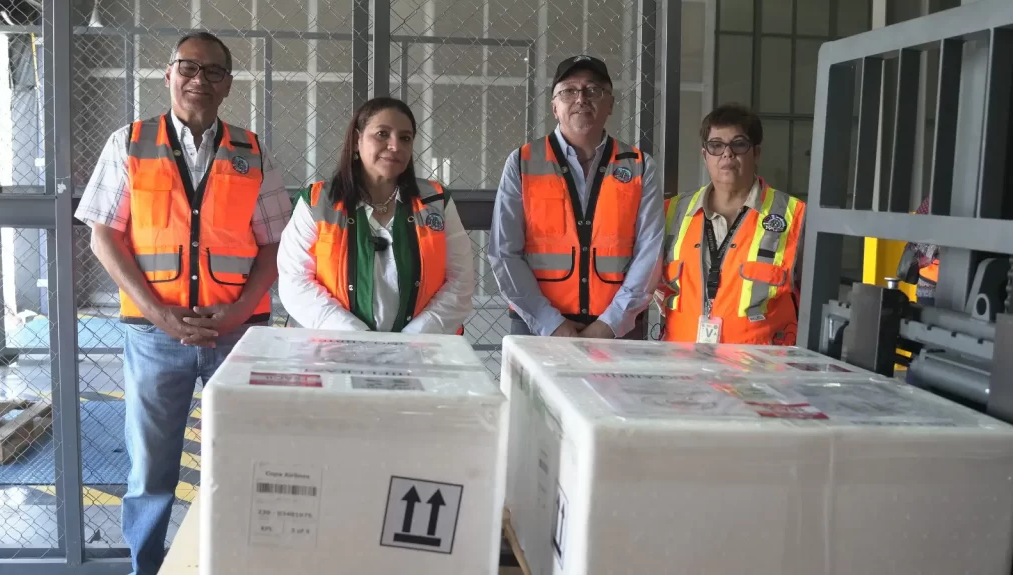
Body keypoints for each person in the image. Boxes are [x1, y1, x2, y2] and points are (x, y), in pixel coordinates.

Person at [75, 33, 291, 575]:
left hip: (238, 334)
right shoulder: (129, 143)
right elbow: (105, 235)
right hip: (153, 336)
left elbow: (274, 243)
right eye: (188, 68)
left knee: (243, 463)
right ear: (167, 74)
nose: (200, 79)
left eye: (214, 71)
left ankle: (233, 564)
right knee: (150, 471)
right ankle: (146, 567)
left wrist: (240, 311)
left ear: (229, 86)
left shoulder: (252, 151)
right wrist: (158, 314)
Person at [488, 55, 663, 339]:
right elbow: (503, 252)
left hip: (618, 331)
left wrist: (610, 324)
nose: (581, 98)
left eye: (593, 90)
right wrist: (551, 324)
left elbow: (651, 252)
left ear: (610, 105)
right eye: (569, 90)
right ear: (554, 106)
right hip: (538, 329)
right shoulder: (523, 162)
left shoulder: (640, 166)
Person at [277, 97, 474, 333]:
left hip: (421, 353)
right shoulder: (317, 202)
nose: (395, 145)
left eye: (405, 138)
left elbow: (460, 280)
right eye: (382, 134)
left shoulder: (436, 202)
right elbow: (295, 282)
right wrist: (358, 338)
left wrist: (414, 339)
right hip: (331, 353)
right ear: (356, 140)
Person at [660, 103, 805, 345]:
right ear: (704, 154)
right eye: (716, 146)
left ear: (756, 153)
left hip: (761, 371)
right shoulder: (671, 212)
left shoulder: (794, 215)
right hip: (683, 366)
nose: (727, 154)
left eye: (738, 144)